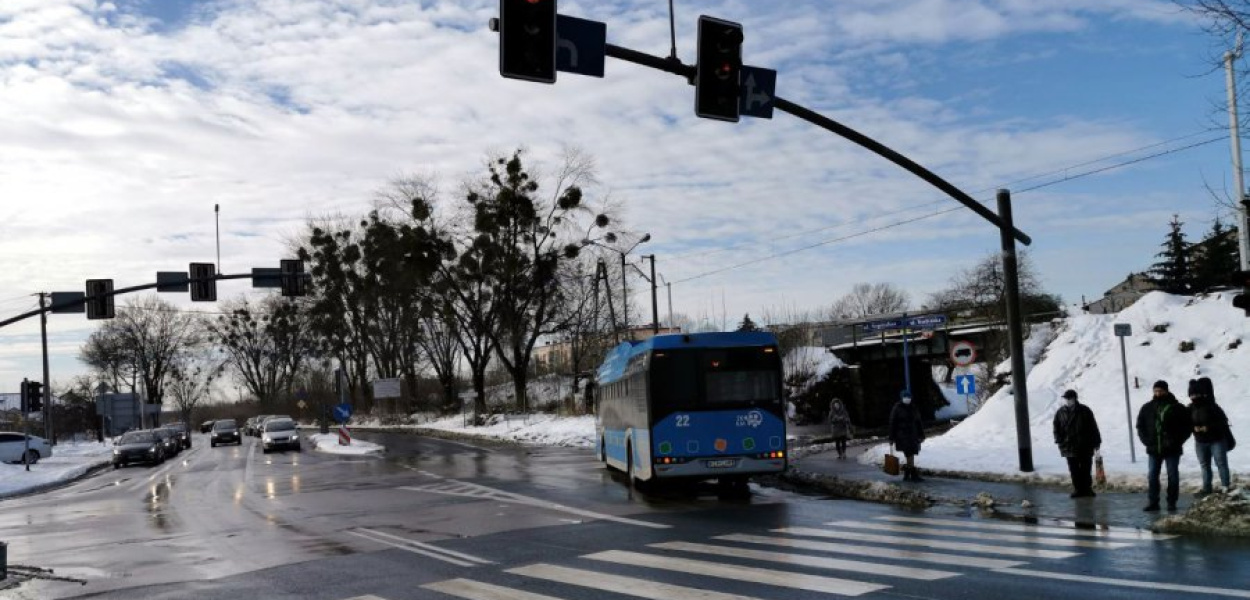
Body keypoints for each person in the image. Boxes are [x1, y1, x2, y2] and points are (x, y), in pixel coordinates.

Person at [1136, 380, 1192, 512]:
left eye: (1160, 390)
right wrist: (1147, 441)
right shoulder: (1147, 407)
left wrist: (1177, 441)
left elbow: (1187, 427)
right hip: (1154, 449)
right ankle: (1153, 502)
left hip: (1172, 449)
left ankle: (1171, 502)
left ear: (1166, 391)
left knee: (1173, 476)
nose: (1158, 393)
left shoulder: (1177, 407)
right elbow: (1140, 426)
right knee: (1152, 475)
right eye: (1155, 391)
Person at [1053, 389, 1102, 498]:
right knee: (1074, 470)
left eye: (1069, 398)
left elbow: (1093, 426)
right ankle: (1078, 489)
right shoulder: (1060, 412)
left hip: (1085, 445)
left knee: (1086, 469)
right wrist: (1059, 440)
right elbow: (1056, 428)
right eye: (1066, 399)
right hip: (1068, 446)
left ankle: (1087, 489)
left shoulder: (1085, 410)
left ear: (1075, 399)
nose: (1067, 401)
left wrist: (1097, 441)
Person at [1188, 377, 1233, 496]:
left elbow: (1223, 422)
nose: (1193, 398)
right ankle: (1207, 488)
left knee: (1221, 463)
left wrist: (1207, 427)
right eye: (1191, 395)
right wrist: (1193, 428)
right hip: (1200, 441)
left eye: (1195, 395)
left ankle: (1225, 487)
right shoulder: (1190, 408)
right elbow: (1185, 422)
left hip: (1216, 439)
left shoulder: (1212, 406)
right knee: (1204, 465)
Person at [889, 390, 925, 482]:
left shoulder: (913, 407)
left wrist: (921, 434)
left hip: (913, 435)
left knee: (912, 453)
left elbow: (918, 422)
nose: (907, 399)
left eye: (909, 397)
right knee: (909, 453)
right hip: (902, 435)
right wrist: (891, 437)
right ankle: (912, 474)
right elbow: (893, 423)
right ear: (901, 398)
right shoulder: (897, 408)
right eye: (905, 397)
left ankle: (908, 474)